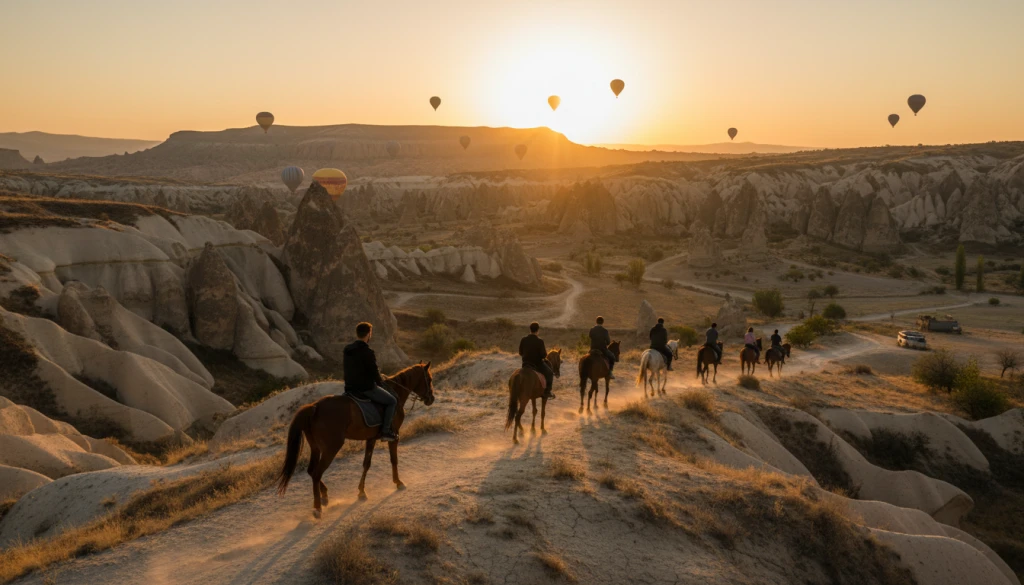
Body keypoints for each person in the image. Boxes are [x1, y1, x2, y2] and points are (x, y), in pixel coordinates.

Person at [343, 322, 398, 442]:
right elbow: (373, 372)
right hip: (365, 388)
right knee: (392, 401)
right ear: (369, 334)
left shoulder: (347, 349)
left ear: (357, 334)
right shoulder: (368, 352)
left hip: (349, 388)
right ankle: (385, 431)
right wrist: (380, 382)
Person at [519, 322, 555, 400]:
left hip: (525, 364)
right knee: (550, 373)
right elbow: (544, 355)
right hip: (537, 364)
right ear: (538, 330)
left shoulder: (523, 339)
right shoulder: (540, 341)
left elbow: (520, 353)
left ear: (530, 329)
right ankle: (547, 391)